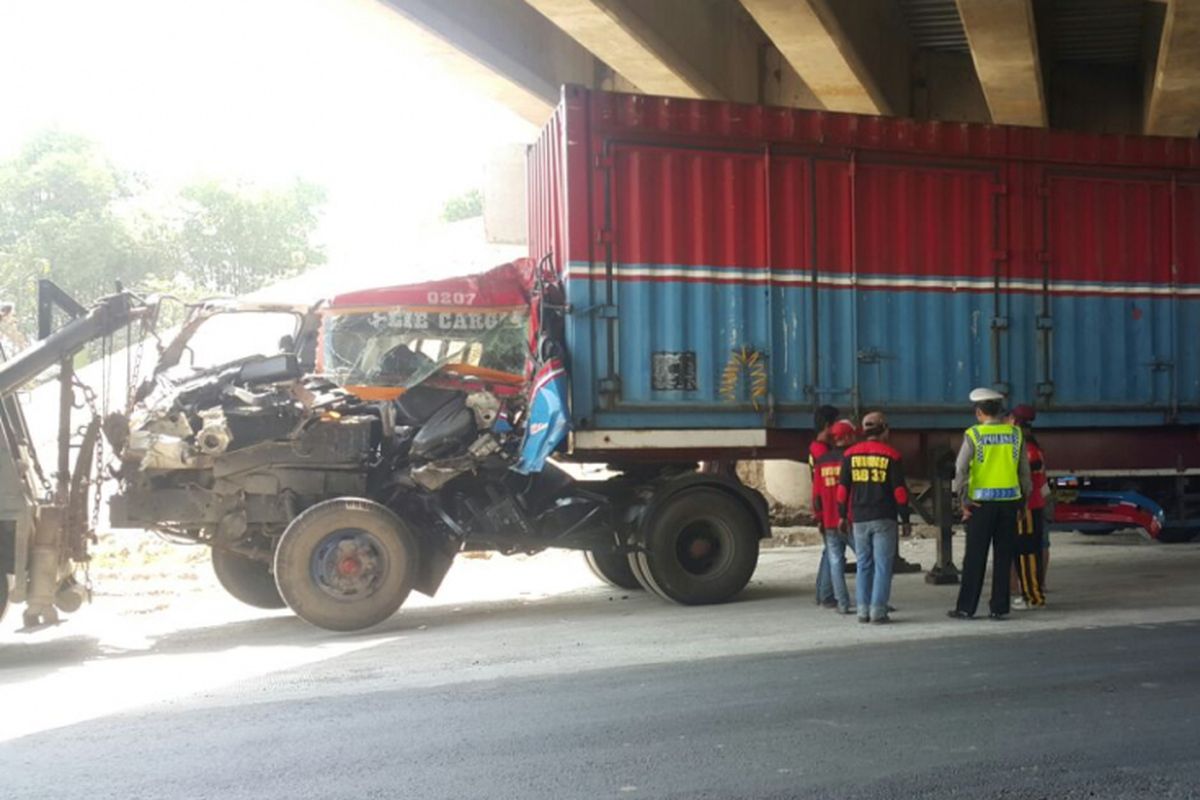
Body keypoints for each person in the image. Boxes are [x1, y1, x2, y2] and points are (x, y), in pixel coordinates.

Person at [948, 388, 1032, 621]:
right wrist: (1023, 501)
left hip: (980, 505)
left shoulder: (974, 435)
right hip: (1009, 503)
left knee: (975, 557)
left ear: (978, 413)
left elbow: (961, 469)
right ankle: (999, 607)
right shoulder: (1016, 434)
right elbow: (1024, 472)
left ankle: (966, 608)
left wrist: (963, 499)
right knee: (1003, 556)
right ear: (999, 410)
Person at [837, 411, 911, 624]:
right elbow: (899, 492)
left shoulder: (850, 455)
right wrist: (905, 519)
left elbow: (843, 490)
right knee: (882, 565)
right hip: (884, 518)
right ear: (884, 430)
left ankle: (862, 610)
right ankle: (878, 611)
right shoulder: (891, 455)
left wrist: (842, 516)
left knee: (864, 564)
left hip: (859, 518)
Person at [811, 420, 857, 614]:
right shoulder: (852, 459)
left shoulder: (822, 462)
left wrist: (819, 518)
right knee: (865, 560)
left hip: (829, 520)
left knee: (836, 562)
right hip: (850, 519)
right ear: (847, 437)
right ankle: (869, 601)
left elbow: (816, 495)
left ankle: (843, 604)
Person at [1008, 404, 1048, 609]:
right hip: (1032, 505)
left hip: (1028, 507)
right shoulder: (1032, 446)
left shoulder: (1028, 450)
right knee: (1026, 551)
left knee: (1027, 553)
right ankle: (1030, 593)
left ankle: (1032, 596)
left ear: (1015, 422)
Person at [810, 405, 840, 608]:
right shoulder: (821, 451)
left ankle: (823, 593)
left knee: (829, 550)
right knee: (834, 552)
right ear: (828, 425)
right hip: (827, 507)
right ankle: (826, 594)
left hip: (824, 507)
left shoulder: (817, 447)